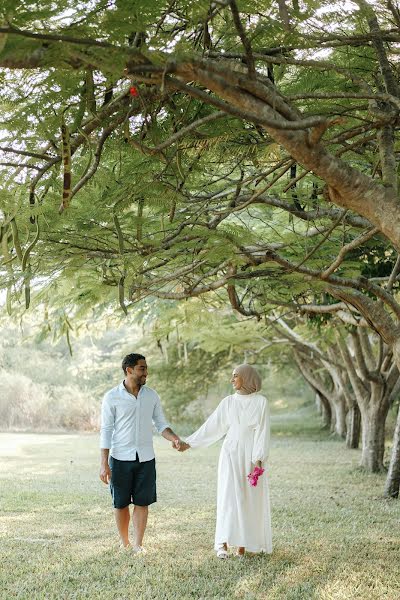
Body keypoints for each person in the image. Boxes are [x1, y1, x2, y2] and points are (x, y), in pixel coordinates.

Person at [178, 364, 272, 559]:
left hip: (251, 455)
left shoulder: (261, 402)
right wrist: (189, 443)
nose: (232, 380)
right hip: (231, 452)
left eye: (235, 376)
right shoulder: (228, 402)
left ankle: (242, 546)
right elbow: (212, 427)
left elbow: (263, 432)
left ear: (246, 378)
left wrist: (258, 461)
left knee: (247, 498)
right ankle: (222, 543)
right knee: (228, 496)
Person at [99, 352, 182, 553]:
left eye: (146, 368)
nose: (146, 372)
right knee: (120, 503)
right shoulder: (112, 397)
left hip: (146, 458)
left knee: (143, 502)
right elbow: (106, 430)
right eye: (142, 368)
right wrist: (104, 463)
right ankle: (125, 542)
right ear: (129, 370)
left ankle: (138, 545)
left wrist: (175, 439)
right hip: (120, 459)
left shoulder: (151, 395)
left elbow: (161, 424)